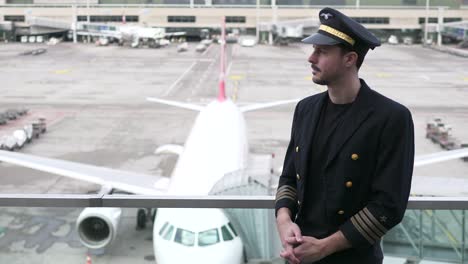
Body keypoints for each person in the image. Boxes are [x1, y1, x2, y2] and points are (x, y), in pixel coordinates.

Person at [275, 7, 414, 264]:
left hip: (353, 258)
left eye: (322, 52)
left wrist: (325, 247)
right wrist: (284, 221)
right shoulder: (305, 109)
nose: (311, 58)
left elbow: (388, 205)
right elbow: (289, 177)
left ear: (350, 59)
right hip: (299, 255)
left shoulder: (391, 118)